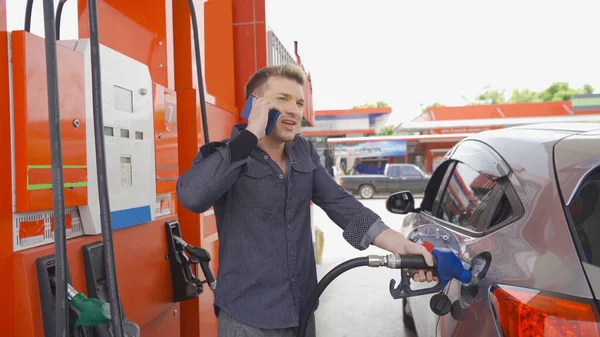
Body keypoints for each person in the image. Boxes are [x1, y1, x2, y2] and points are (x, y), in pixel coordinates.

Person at [176, 63, 436, 337]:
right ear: (256, 105)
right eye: (282, 99)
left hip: (301, 310)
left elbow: (341, 206)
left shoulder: (303, 152)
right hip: (247, 317)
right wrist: (251, 135)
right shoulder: (226, 156)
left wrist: (403, 246)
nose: (294, 110)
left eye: (299, 103)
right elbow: (192, 198)